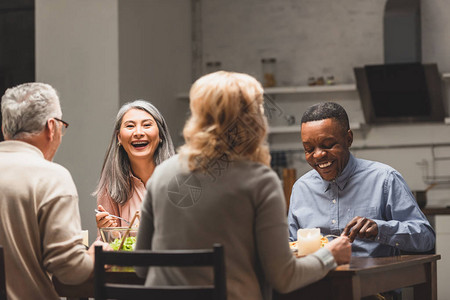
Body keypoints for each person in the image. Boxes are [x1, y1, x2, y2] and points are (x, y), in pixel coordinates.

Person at [135, 71, 351, 300]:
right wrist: (330, 256)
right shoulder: (260, 181)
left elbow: (141, 267)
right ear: (253, 120)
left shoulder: (161, 175)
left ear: (198, 116)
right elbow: (284, 277)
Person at [0, 82, 109, 300]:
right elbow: (70, 271)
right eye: (61, 125)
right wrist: (95, 254)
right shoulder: (51, 177)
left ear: (5, 129)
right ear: (51, 127)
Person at [288, 102, 435, 257]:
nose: (318, 155)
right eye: (309, 149)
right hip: (319, 279)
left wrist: (381, 229)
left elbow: (426, 238)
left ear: (348, 139)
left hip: (373, 279)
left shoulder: (385, 179)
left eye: (328, 145)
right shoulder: (301, 188)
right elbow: (289, 246)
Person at [93, 100, 175, 230]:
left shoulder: (181, 177)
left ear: (161, 134)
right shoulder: (111, 186)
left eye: (147, 125)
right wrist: (107, 232)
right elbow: (108, 244)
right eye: (130, 126)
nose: (138, 133)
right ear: (119, 137)